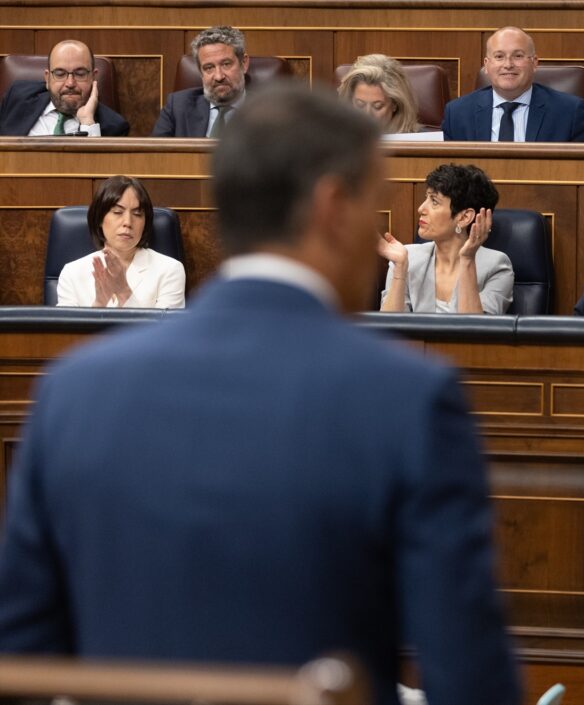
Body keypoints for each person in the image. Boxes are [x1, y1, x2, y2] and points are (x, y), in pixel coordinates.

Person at [0, 82, 521, 705]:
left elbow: (19, 654)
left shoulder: (75, 391)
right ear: (333, 206)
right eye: (374, 205)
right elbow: (469, 675)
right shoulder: (408, 399)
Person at [379, 164, 513, 314]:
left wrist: (467, 259)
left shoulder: (496, 267)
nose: (421, 209)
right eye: (426, 198)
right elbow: (390, 327)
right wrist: (399, 269)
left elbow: (474, 327)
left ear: (464, 217)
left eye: (434, 201)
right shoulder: (407, 258)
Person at [442, 27, 584, 143]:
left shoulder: (569, 111)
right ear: (487, 65)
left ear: (534, 63)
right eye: (499, 56)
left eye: (518, 56)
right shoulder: (457, 113)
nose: (508, 64)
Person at [56, 175, 186, 308]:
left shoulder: (170, 270)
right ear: (99, 218)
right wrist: (99, 304)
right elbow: (65, 322)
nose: (128, 222)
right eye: (118, 212)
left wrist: (124, 292)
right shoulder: (72, 273)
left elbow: (167, 323)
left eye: (137, 214)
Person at [0, 40, 129, 136]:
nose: (70, 83)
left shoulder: (114, 126)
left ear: (93, 77)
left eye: (80, 74)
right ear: (47, 78)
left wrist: (87, 123)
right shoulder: (18, 97)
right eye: (60, 74)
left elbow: (99, 165)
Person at [152, 26, 249, 137]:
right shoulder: (177, 106)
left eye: (226, 64)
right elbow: (155, 148)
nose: (219, 77)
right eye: (209, 68)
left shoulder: (264, 111)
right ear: (200, 72)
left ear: (244, 63)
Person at [338, 54, 421, 133]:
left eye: (377, 106)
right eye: (360, 105)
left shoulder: (421, 139)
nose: (367, 115)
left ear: (395, 104)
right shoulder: (335, 137)